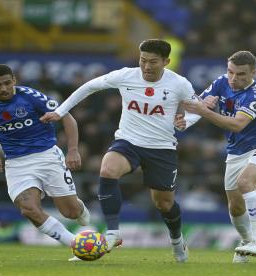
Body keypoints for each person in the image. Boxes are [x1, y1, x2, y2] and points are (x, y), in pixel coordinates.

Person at [40, 39, 197, 263]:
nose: (147, 66)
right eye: (143, 60)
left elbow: (198, 109)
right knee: (107, 169)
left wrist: (186, 121)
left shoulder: (179, 83)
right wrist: (61, 110)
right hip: (128, 141)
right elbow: (90, 86)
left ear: (166, 62)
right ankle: (113, 233)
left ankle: (177, 241)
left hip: (161, 148)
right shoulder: (126, 75)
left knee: (164, 203)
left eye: (153, 62)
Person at [177, 50, 256, 263]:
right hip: (236, 151)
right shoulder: (221, 81)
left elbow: (236, 124)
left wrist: (204, 110)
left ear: (254, 72)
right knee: (235, 207)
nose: (234, 78)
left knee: (246, 182)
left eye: (241, 74)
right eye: (231, 72)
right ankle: (247, 243)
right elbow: (202, 104)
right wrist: (186, 121)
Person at [0, 64, 90, 260]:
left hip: (47, 157)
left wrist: (73, 150)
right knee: (28, 209)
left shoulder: (30, 96)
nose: (3, 88)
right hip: (16, 163)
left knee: (70, 212)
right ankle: (76, 244)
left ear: (14, 81)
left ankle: (78, 207)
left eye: (7, 83)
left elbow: (67, 117)